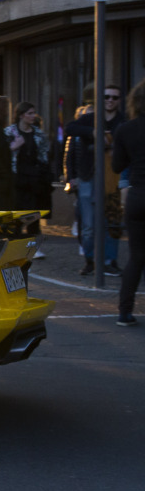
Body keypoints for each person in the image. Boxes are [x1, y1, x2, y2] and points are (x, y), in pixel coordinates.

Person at [66, 83, 126, 276]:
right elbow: (70, 128)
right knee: (89, 224)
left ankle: (110, 261)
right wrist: (92, 133)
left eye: (114, 97)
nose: (110, 100)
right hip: (87, 176)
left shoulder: (123, 121)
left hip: (114, 177)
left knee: (112, 221)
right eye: (107, 97)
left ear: (119, 100)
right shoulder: (90, 119)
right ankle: (91, 259)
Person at [111, 80, 145, 326]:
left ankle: (124, 312)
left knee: (136, 257)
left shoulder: (125, 129)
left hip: (138, 196)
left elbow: (116, 166)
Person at [5, 101, 51, 258]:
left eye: (34, 113)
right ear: (21, 115)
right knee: (17, 214)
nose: (33, 116)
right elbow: (2, 154)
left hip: (34, 177)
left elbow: (45, 155)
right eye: (30, 113)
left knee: (33, 214)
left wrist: (44, 174)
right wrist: (13, 147)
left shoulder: (38, 134)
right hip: (16, 177)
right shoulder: (9, 132)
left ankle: (33, 248)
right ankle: (15, 247)